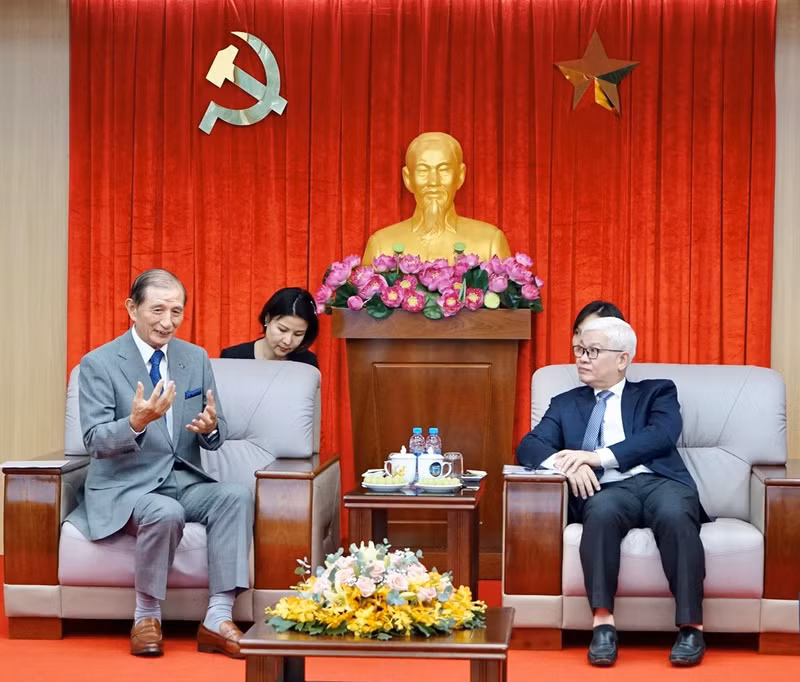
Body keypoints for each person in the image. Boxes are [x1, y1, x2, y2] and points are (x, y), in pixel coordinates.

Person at [66, 269, 252, 659]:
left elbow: (216, 426)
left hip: (182, 479)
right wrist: (135, 423)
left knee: (235, 496)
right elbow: (94, 440)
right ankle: (146, 616)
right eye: (158, 310)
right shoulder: (98, 363)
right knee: (165, 511)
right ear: (132, 308)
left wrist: (211, 428)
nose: (167, 322)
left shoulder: (194, 357)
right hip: (126, 486)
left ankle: (218, 618)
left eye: (176, 311)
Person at [516, 317, 708, 668]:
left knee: (675, 515)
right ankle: (603, 625)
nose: (581, 358)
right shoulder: (565, 403)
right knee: (600, 514)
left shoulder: (656, 392)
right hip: (608, 489)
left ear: (622, 359)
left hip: (660, 482)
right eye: (579, 349)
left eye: (592, 351)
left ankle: (691, 627)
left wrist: (597, 457)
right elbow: (529, 447)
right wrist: (567, 465)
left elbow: (662, 435)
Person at [362, 132, 512, 264]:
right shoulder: (381, 246)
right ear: (408, 179)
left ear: (460, 176)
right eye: (423, 171)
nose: (433, 182)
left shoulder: (490, 242)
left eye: (444, 169)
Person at [220, 287, 319, 367]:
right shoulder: (233, 358)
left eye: (298, 334)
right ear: (267, 319)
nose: (288, 341)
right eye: (282, 330)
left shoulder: (307, 364)